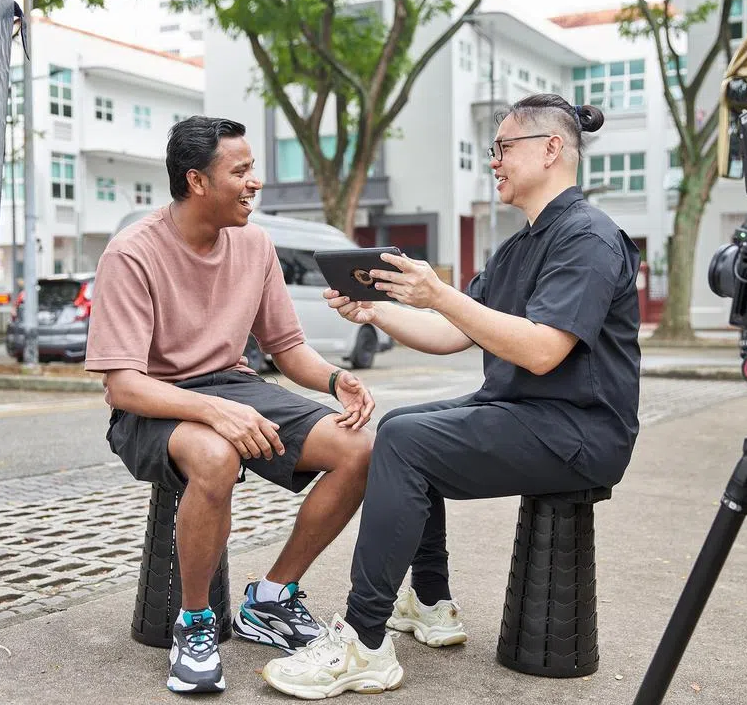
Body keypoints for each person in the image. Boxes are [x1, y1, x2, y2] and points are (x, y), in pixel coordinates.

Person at [261, 94, 641, 699]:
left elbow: (544, 351)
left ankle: (364, 641)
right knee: (403, 427)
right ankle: (431, 601)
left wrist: (438, 293)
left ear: (551, 149)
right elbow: (452, 333)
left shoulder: (588, 237)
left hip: (581, 432)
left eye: (503, 148)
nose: (493, 161)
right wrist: (377, 312)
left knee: (410, 443)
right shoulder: (521, 246)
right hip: (527, 414)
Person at [84, 116, 378, 695]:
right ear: (196, 181)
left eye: (252, 170)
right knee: (216, 456)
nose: (254, 183)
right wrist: (214, 413)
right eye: (240, 172)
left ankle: (271, 597)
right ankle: (195, 624)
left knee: (360, 447)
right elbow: (122, 385)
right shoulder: (131, 253)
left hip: (233, 385)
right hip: (151, 405)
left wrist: (335, 378)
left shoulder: (254, 243)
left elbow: (287, 347)